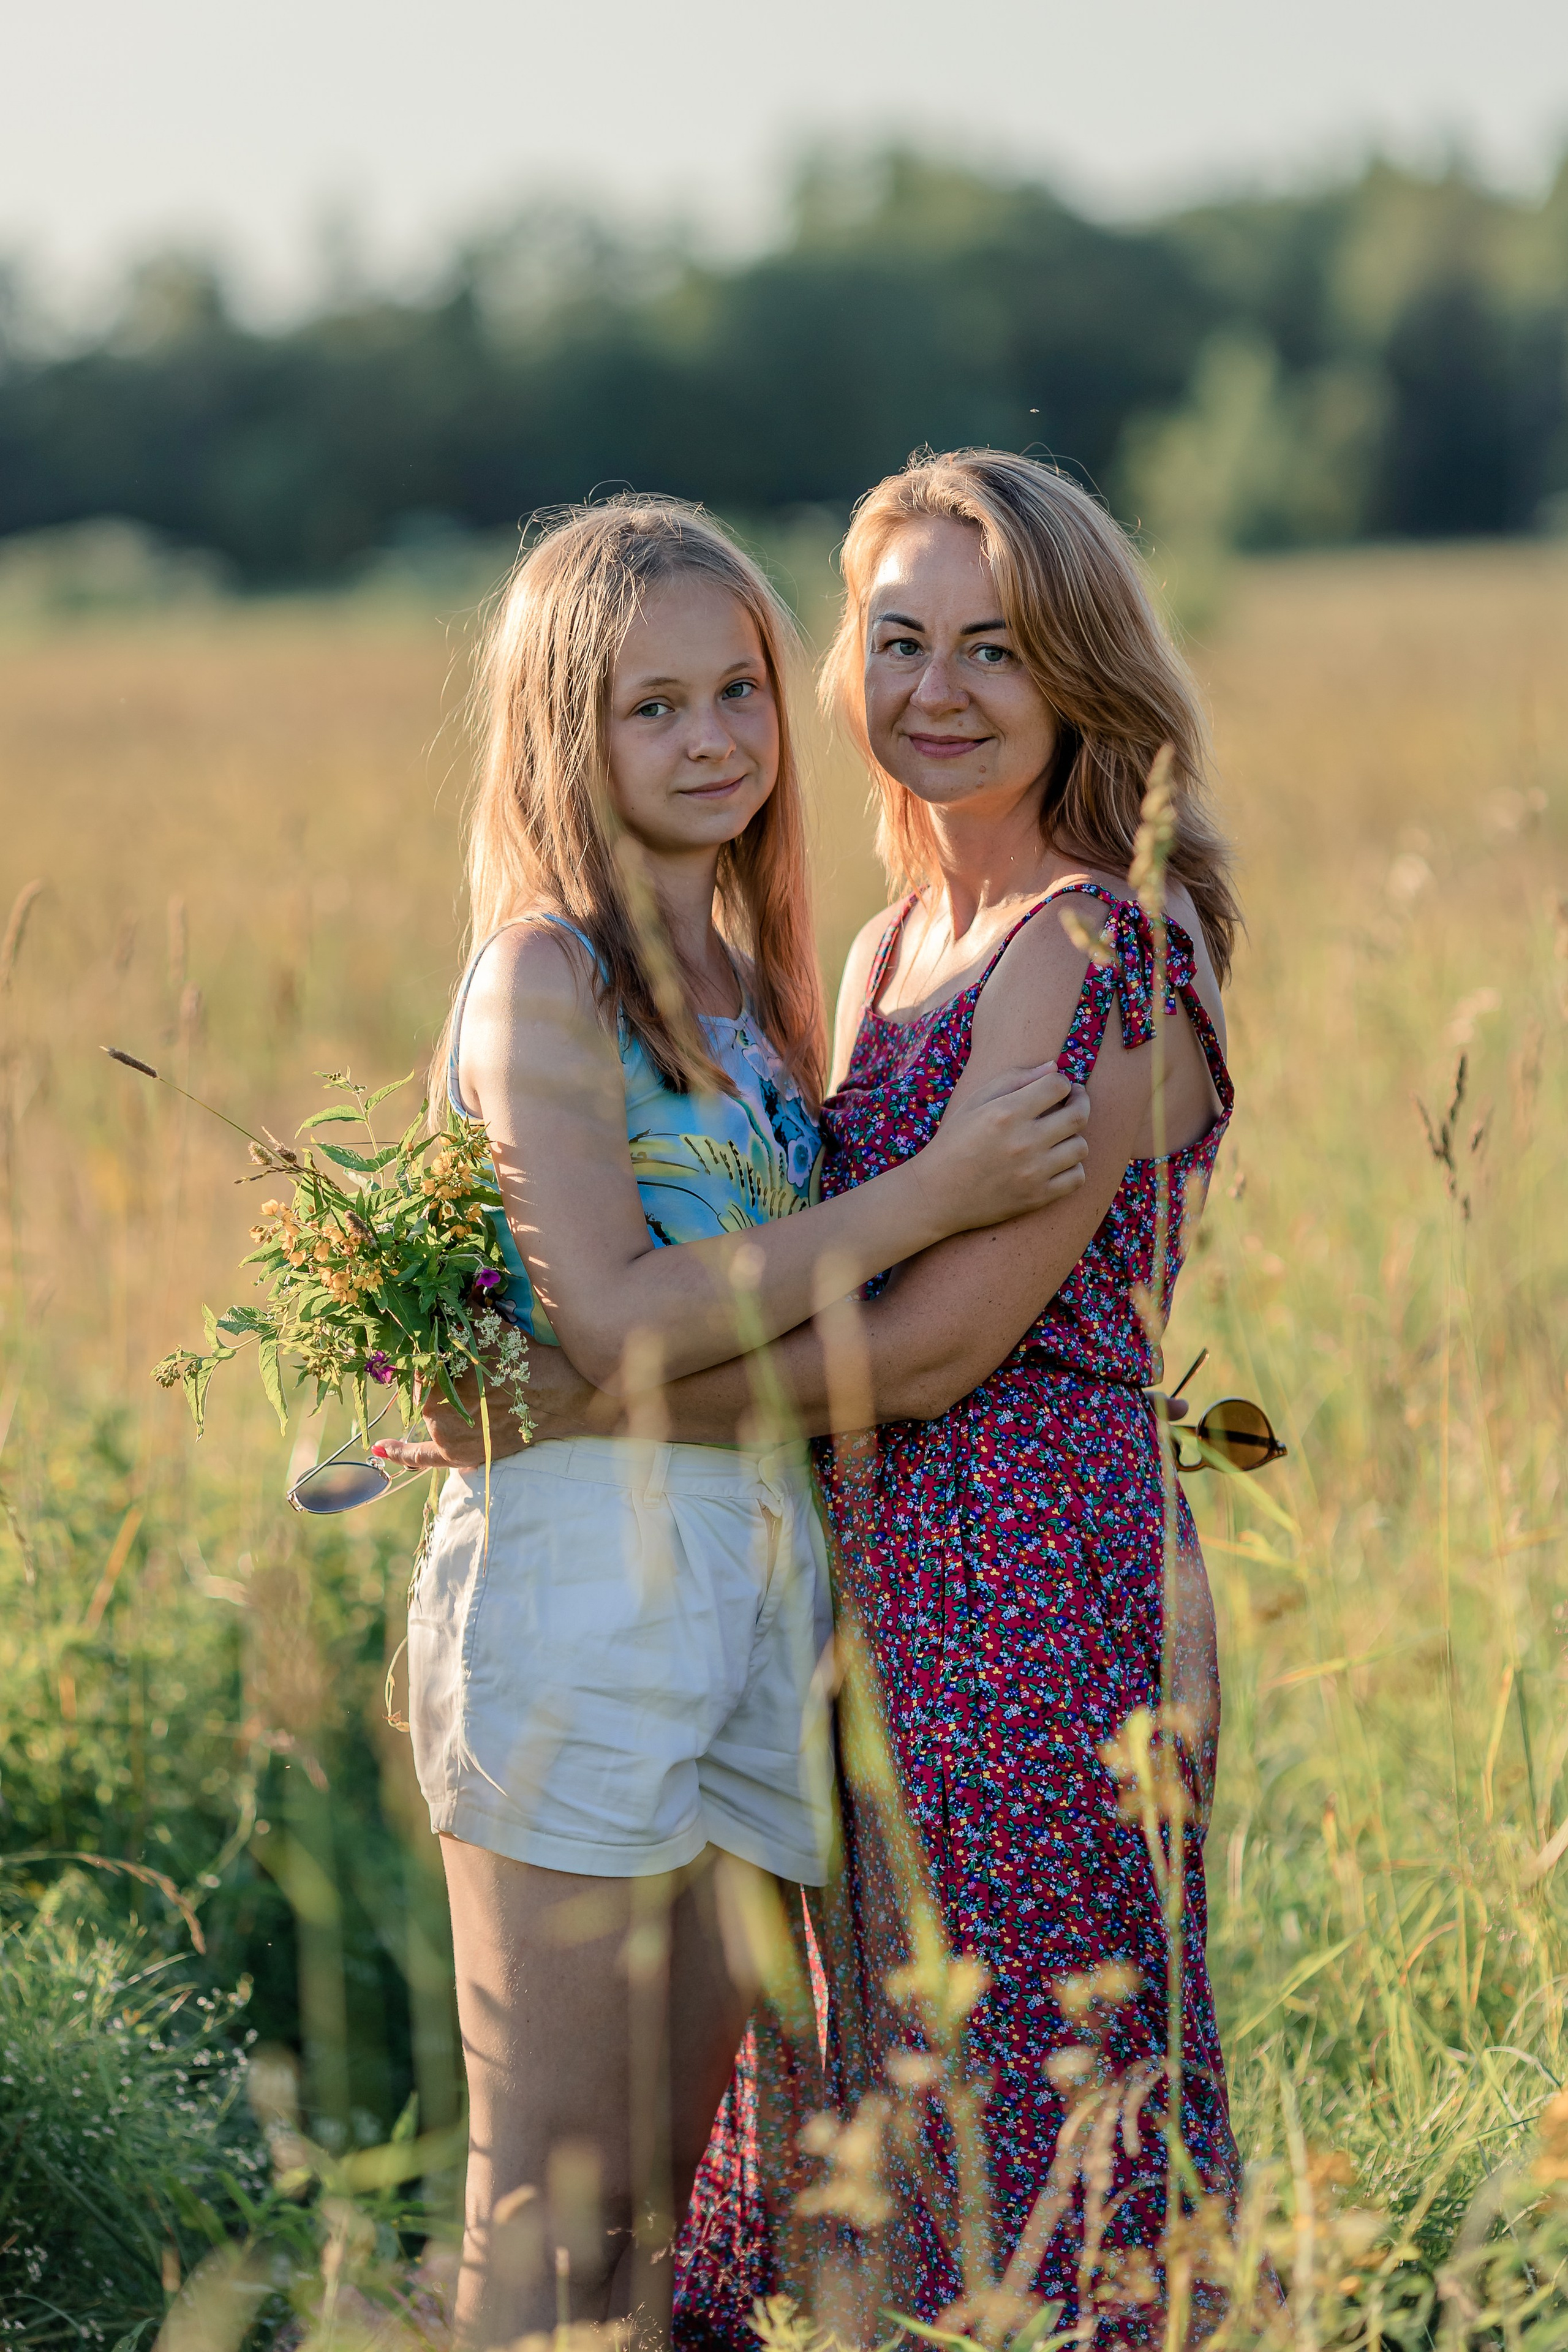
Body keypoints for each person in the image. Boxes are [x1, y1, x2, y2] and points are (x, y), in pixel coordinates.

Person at [387, 495, 1095, 2346]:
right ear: (566, 732)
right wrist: (932, 1196)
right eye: (651, 706)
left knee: (658, 2216)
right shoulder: (549, 974)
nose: (710, 740)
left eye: (739, 693)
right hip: (582, 1602)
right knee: (547, 2198)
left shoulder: (745, 974)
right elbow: (615, 1317)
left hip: (758, 1597)